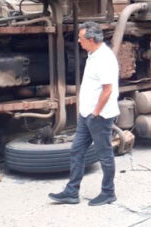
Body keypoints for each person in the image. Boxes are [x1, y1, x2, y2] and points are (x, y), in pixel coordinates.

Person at [49, 21, 120, 206]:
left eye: (80, 39)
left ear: (90, 39)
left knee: (105, 155)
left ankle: (108, 192)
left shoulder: (104, 58)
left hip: (99, 116)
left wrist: (95, 113)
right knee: (77, 150)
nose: (79, 42)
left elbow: (107, 90)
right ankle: (72, 192)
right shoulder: (93, 53)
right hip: (87, 114)